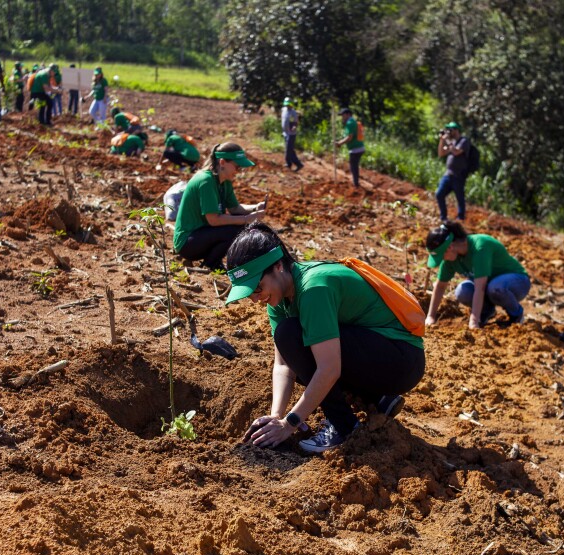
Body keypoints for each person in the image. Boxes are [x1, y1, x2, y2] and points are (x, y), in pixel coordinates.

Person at [225, 222, 426, 453]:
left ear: (278, 266)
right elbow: (283, 365)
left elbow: (329, 368)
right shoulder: (278, 297)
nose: (255, 298)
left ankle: (343, 426)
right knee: (297, 349)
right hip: (376, 353)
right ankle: (377, 398)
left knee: (294, 339)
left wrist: (290, 424)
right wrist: (275, 417)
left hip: (401, 360)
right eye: (249, 293)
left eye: (257, 287)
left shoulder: (313, 288)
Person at [173, 141, 265, 271]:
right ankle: (211, 265)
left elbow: (235, 209)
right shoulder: (206, 181)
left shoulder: (224, 182)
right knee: (235, 230)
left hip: (203, 235)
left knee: (239, 223)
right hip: (187, 242)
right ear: (222, 162)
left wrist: (255, 208)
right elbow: (214, 219)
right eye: (237, 167)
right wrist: (247, 219)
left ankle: (215, 262)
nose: (238, 172)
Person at [425, 221, 530, 328]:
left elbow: (480, 288)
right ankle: (487, 312)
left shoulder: (480, 247)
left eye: (442, 256)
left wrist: (474, 322)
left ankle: (517, 315)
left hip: (518, 282)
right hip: (488, 285)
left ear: (450, 247)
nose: (442, 260)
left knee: (495, 287)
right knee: (462, 291)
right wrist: (430, 316)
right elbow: (440, 286)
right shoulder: (450, 259)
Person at [436, 122, 471, 223]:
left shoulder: (463, 141)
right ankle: (443, 217)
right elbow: (441, 153)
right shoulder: (451, 142)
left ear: (456, 130)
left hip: (459, 175)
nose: (449, 132)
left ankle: (461, 218)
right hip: (448, 174)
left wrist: (447, 141)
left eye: (450, 130)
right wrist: (442, 140)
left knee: (459, 197)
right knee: (439, 194)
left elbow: (456, 152)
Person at [334, 107, 365, 188]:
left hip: (356, 149)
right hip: (359, 148)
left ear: (348, 114)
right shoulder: (352, 121)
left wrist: (339, 143)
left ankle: (356, 184)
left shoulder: (350, 123)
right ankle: (356, 183)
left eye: (343, 115)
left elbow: (349, 137)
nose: (342, 117)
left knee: (353, 167)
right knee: (354, 166)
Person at [281, 97, 303, 172]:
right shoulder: (283, 110)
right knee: (291, 150)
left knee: (288, 149)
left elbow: (296, 122)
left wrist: (294, 127)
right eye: (286, 104)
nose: (288, 106)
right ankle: (298, 164)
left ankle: (288, 163)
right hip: (285, 132)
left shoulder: (293, 112)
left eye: (289, 104)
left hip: (291, 133)